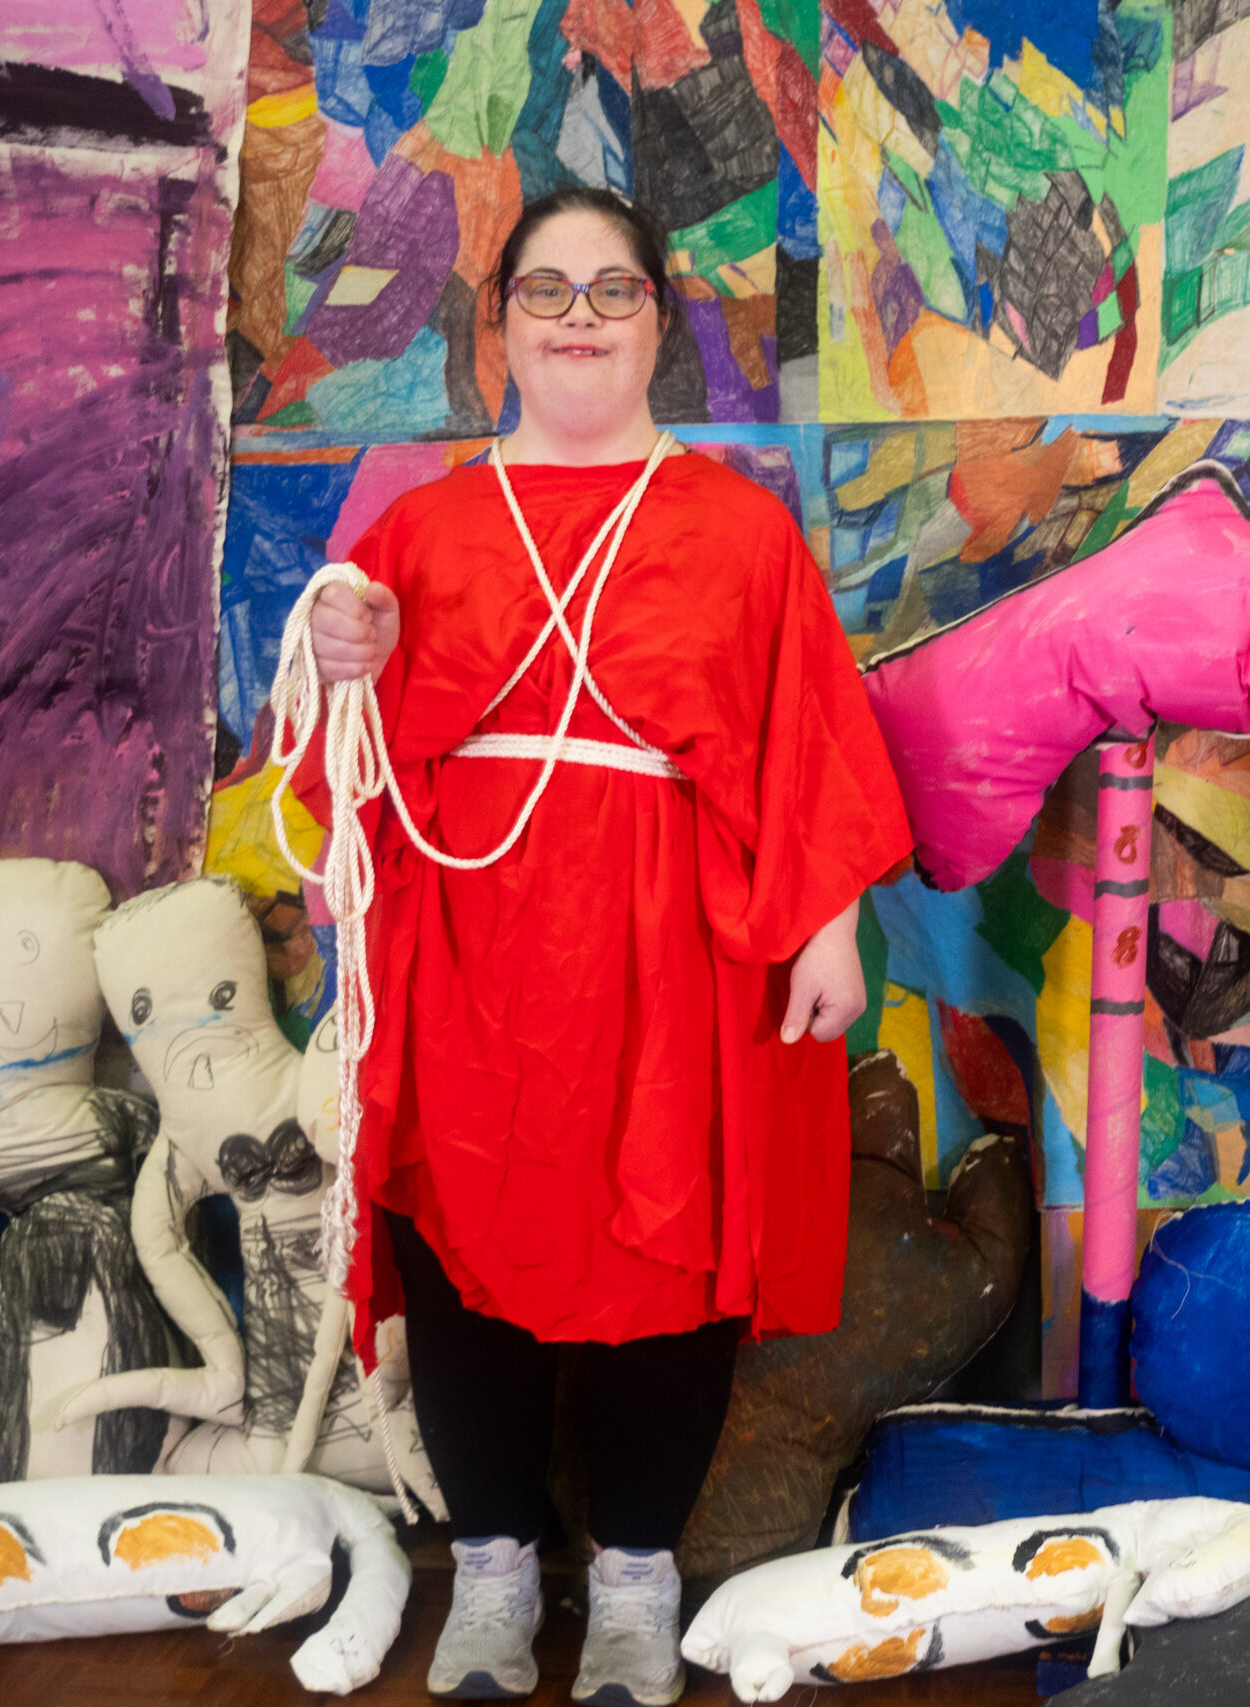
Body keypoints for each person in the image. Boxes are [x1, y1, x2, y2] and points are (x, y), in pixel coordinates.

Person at [296, 186, 911, 1705]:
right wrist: (337, 653)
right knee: (461, 1249)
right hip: (473, 959)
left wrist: (828, 917)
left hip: (675, 956)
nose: (579, 314)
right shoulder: (421, 529)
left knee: (674, 1258)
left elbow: (808, 735)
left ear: (657, 326)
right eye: (547, 289)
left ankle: (635, 1584)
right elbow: (346, 735)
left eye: (613, 290)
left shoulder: (739, 528)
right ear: (496, 323)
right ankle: (495, 1580)